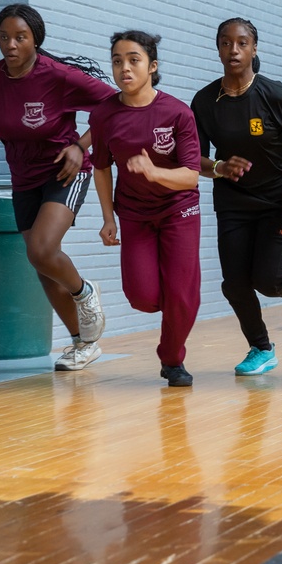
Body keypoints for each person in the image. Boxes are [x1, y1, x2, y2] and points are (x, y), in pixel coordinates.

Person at [0, 3, 113, 372]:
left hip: (65, 172)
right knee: (41, 263)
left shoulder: (57, 76)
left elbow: (115, 106)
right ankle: (83, 343)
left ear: (35, 40)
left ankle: (84, 292)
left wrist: (80, 145)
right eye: (4, 37)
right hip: (23, 178)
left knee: (42, 250)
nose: (10, 44)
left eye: (20, 37)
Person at [190, 18, 282, 377]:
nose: (234, 50)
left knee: (266, 279)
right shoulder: (205, 101)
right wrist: (219, 167)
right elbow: (194, 158)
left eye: (242, 43)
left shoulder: (275, 95)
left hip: (279, 201)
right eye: (226, 43)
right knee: (234, 283)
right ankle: (261, 348)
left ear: (254, 48)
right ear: (218, 48)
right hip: (233, 204)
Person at [89, 30, 201, 387]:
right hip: (134, 213)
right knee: (143, 296)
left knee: (181, 295)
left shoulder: (178, 113)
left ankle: (172, 360)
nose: (124, 67)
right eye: (117, 61)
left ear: (152, 66)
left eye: (133, 60)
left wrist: (155, 171)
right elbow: (102, 167)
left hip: (178, 210)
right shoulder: (105, 115)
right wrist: (108, 218)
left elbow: (190, 177)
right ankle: (182, 299)